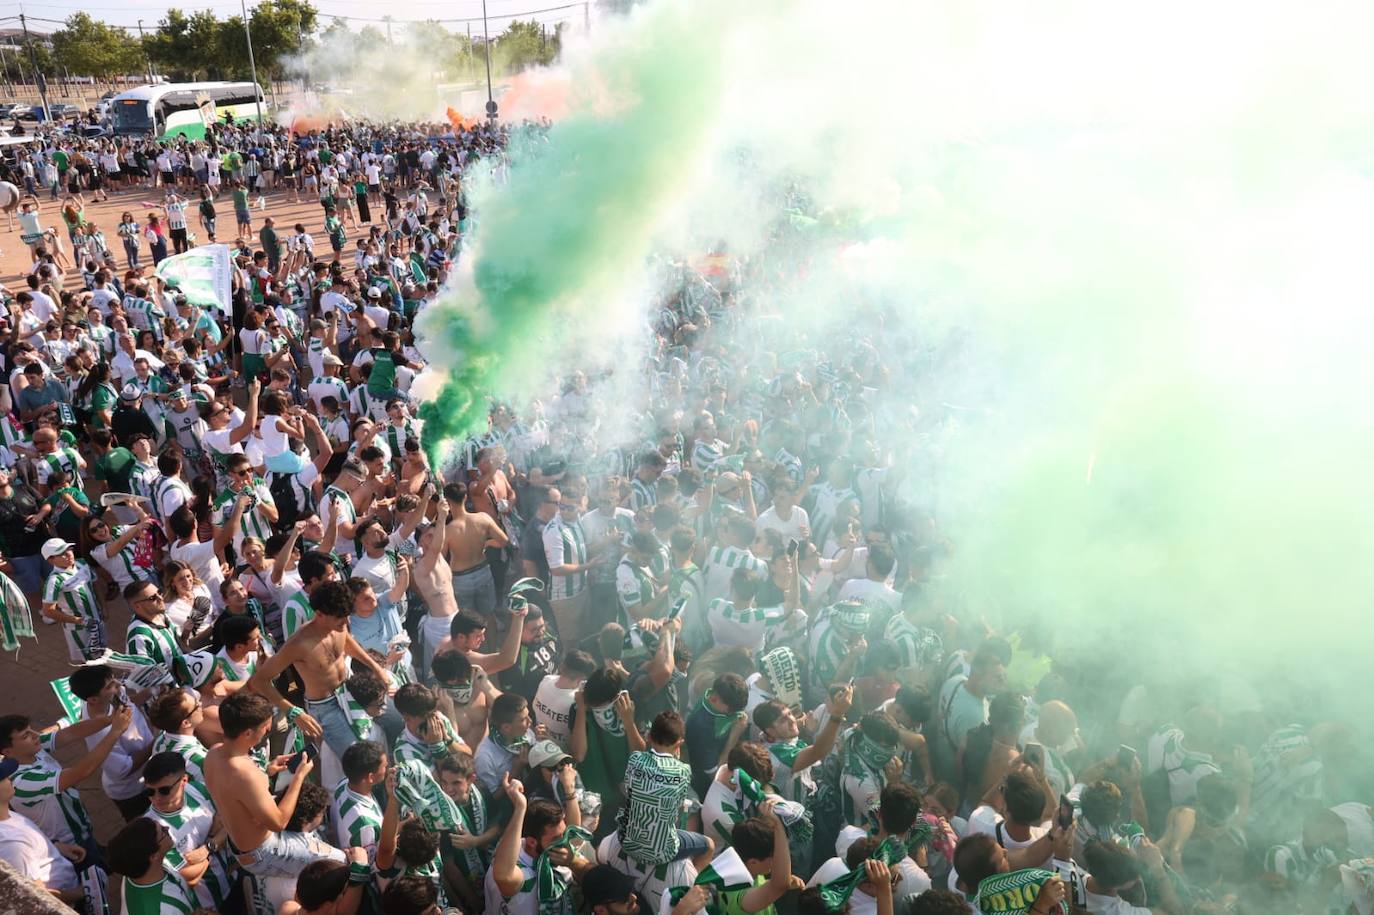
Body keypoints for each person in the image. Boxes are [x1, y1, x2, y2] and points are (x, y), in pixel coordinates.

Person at [247, 580, 395, 761]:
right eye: (341, 618)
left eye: (347, 616)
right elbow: (259, 681)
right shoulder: (298, 643)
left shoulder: (338, 625)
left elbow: (348, 644)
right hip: (325, 707)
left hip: (350, 689)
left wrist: (376, 668)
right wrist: (293, 711)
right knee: (360, 759)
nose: (346, 622)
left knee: (392, 724)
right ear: (319, 614)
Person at [202, 691, 344, 879]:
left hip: (240, 846)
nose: (267, 730)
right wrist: (299, 777)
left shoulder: (213, 753)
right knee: (341, 863)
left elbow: (237, 793)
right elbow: (278, 822)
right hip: (265, 852)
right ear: (247, 733)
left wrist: (268, 770)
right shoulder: (244, 774)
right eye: (264, 727)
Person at [486, 776, 595, 915]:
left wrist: (572, 862)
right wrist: (520, 807)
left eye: (564, 833)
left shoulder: (557, 851)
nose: (564, 841)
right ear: (532, 842)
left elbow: (589, 873)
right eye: (556, 838)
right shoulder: (516, 864)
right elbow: (504, 877)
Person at [619, 710, 714, 869]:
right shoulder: (683, 770)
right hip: (663, 852)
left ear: (649, 736)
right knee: (709, 845)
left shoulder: (635, 758)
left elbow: (629, 788)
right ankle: (689, 884)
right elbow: (677, 806)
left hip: (627, 843)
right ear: (679, 743)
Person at [140, 750, 234, 910]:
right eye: (149, 791)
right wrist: (214, 842)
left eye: (164, 790)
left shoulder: (199, 790)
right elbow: (186, 877)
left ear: (184, 780)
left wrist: (209, 846)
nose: (156, 797)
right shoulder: (153, 831)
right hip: (208, 904)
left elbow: (230, 819)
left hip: (233, 876)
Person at [0, 757, 85, 909]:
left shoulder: (6, 813)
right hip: (69, 904)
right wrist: (80, 893)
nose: (10, 779)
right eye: (4, 778)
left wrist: (55, 847)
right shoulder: (12, 846)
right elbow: (38, 895)